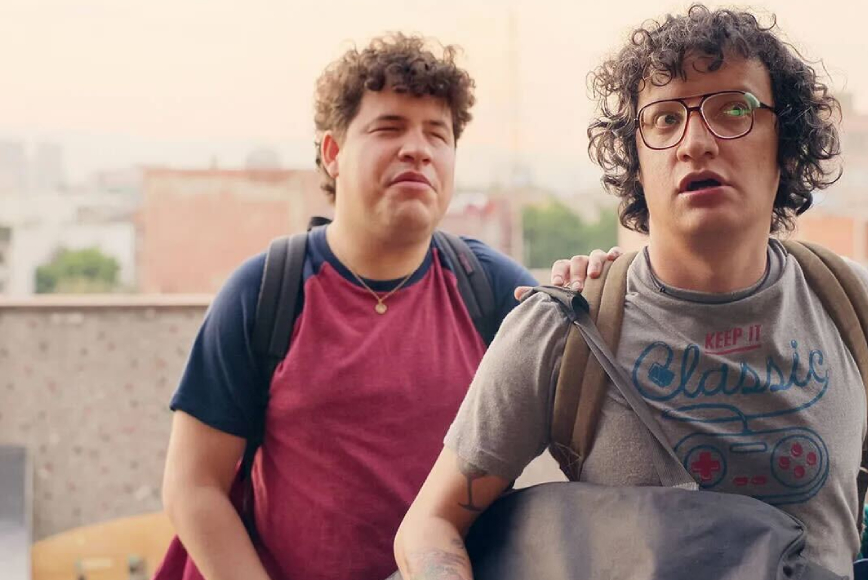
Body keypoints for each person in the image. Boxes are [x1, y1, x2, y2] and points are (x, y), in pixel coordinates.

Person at [395, 6, 868, 580]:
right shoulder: (566, 326)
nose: (695, 143)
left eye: (734, 109)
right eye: (664, 119)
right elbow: (431, 524)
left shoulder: (849, 304)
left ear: (786, 145)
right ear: (636, 162)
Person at [160, 33, 616, 580]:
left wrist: (603, 292)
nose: (417, 149)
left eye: (437, 134)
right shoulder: (265, 291)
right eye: (389, 128)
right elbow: (193, 486)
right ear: (333, 153)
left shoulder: (493, 290)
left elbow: (603, 426)